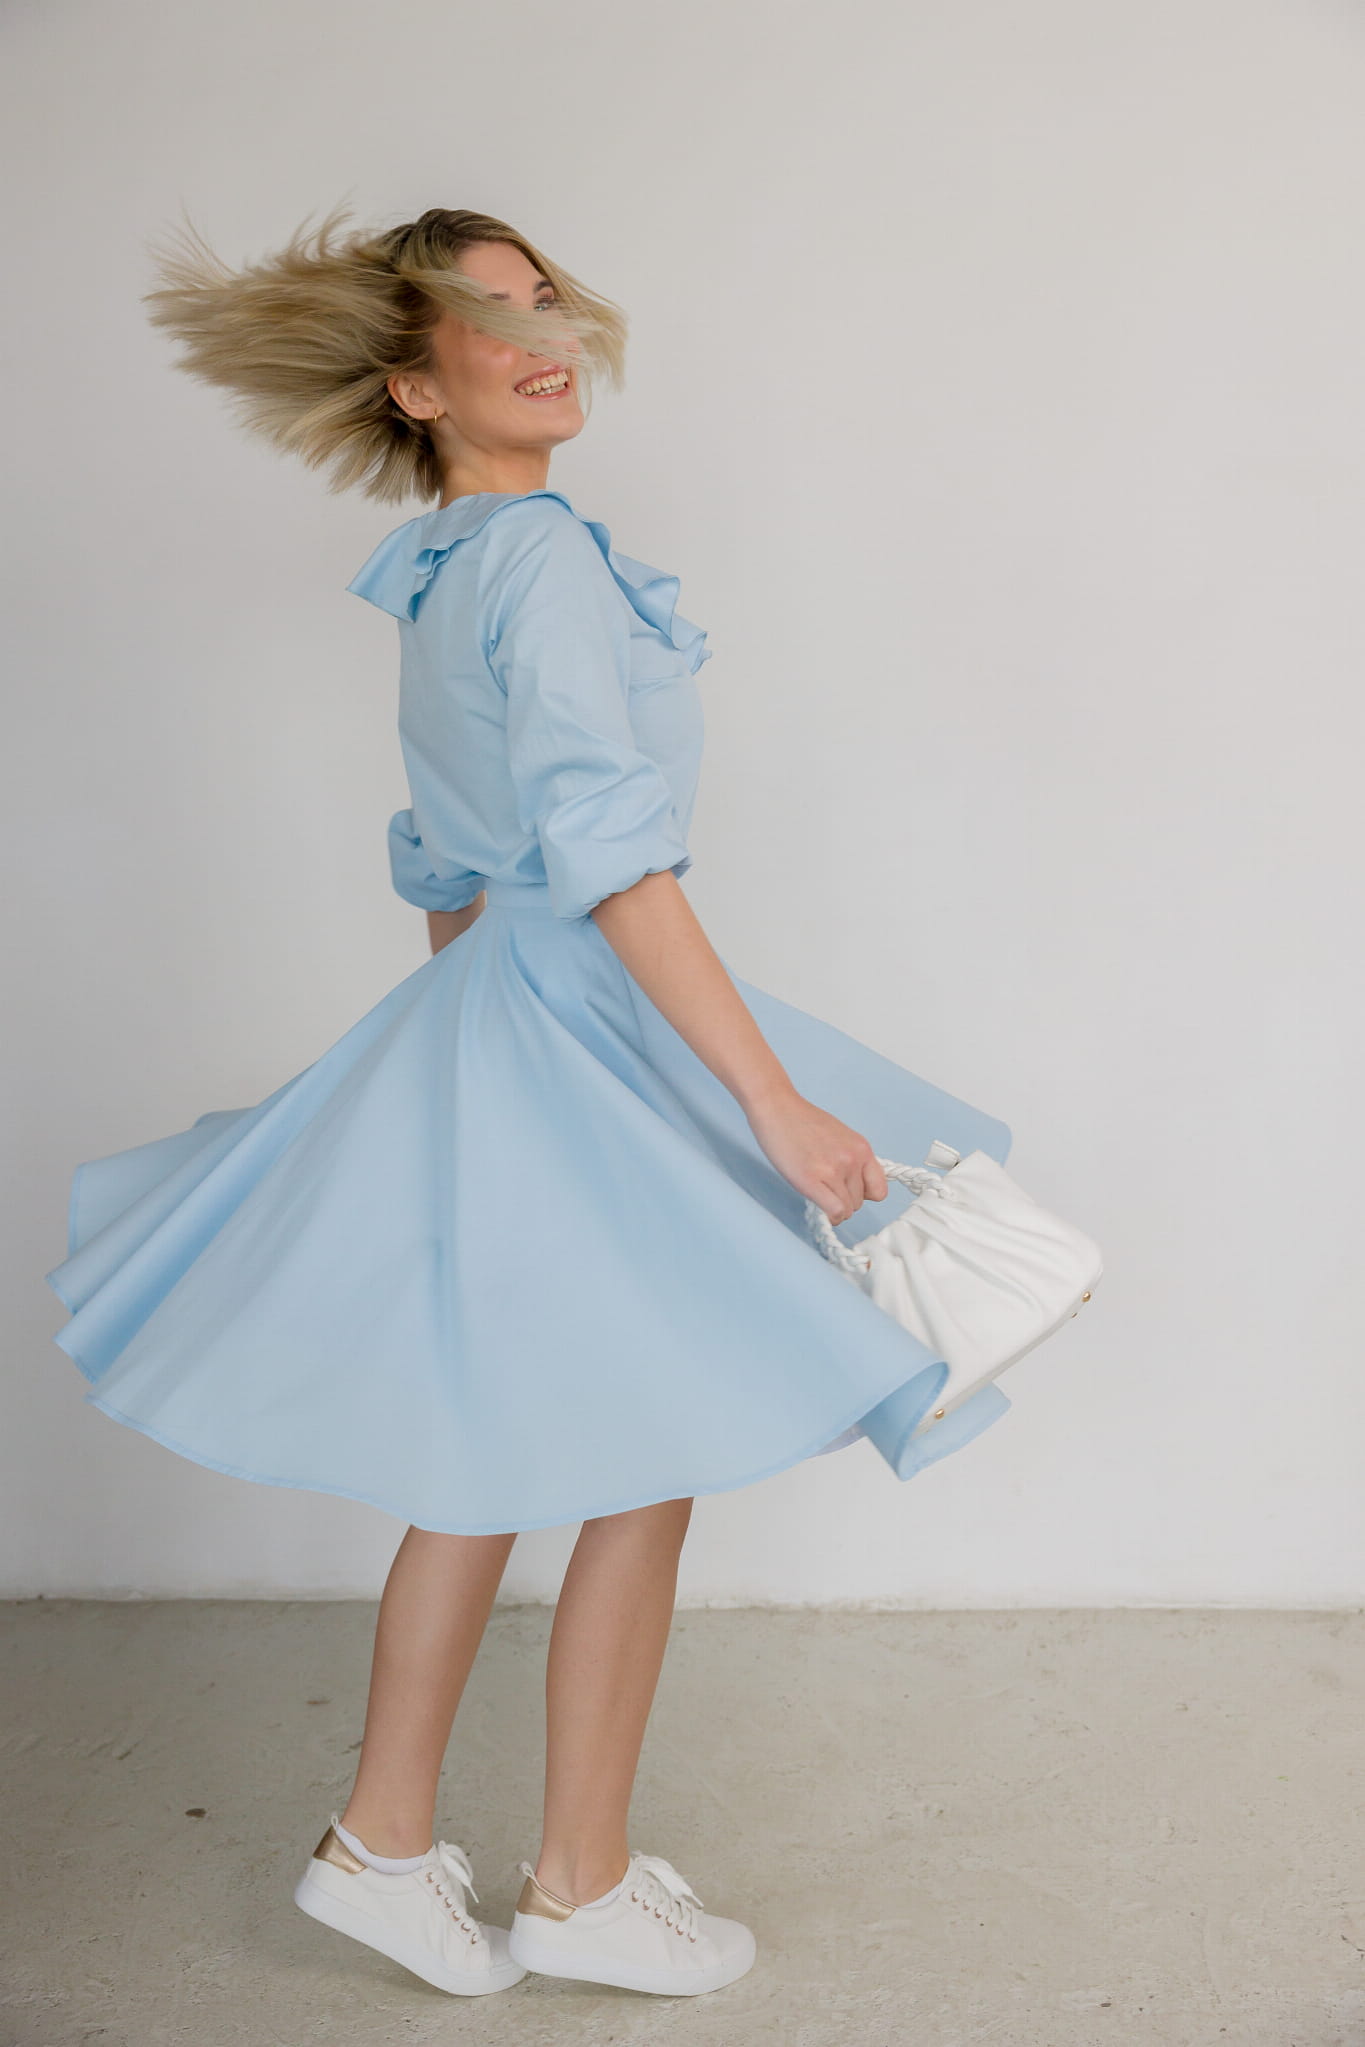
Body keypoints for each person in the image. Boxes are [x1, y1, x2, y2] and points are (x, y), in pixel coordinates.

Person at [44, 204, 1015, 2000]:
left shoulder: (447, 563)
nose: (543, 333)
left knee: (488, 1451)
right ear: (417, 386)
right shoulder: (544, 559)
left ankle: (384, 1844)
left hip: (499, 1016)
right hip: (577, 1023)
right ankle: (574, 1883)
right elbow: (610, 851)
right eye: (486, 315)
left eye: (544, 296)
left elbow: (446, 857)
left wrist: (464, 1062)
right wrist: (770, 1101)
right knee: (639, 1452)